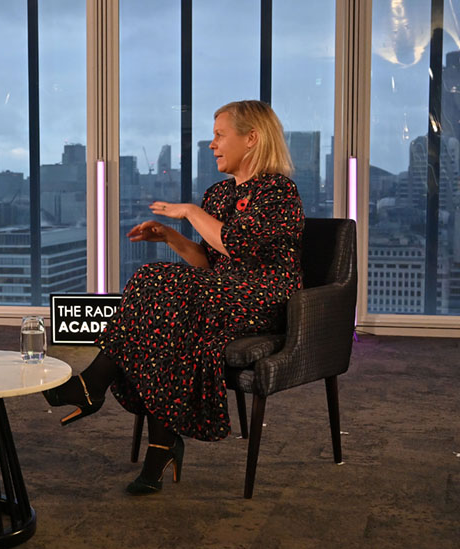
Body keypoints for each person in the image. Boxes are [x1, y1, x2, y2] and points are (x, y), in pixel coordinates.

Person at [44, 100, 304, 495]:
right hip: (222, 293)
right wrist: (170, 236)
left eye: (220, 135)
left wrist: (190, 212)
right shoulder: (219, 194)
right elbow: (209, 262)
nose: (212, 144)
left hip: (263, 297)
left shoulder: (278, 192)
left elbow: (239, 246)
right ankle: (162, 445)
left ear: (252, 138)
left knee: (154, 282)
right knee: (164, 320)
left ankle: (94, 386)